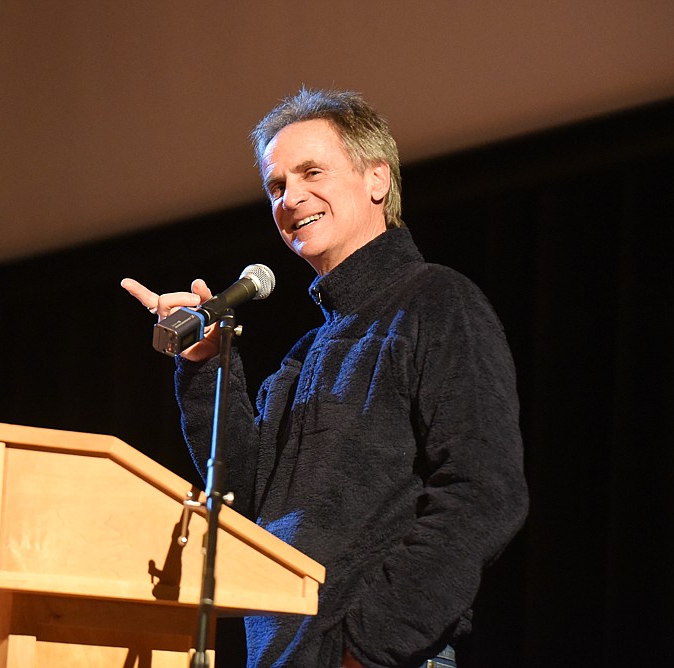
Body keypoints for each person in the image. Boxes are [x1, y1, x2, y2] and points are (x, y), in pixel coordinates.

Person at [121, 88, 528, 668]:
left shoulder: (437, 302)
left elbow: (483, 492)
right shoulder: (306, 353)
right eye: (276, 186)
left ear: (377, 180)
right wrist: (204, 364)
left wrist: (364, 647)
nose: (291, 198)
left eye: (312, 171)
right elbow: (248, 501)